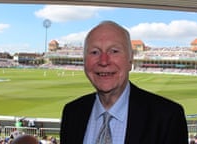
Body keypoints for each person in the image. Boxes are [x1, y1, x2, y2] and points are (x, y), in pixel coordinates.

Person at [60, 20, 188, 144]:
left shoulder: (168, 117)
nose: (104, 61)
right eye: (94, 52)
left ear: (130, 58)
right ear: (84, 60)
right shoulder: (71, 113)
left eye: (114, 51)